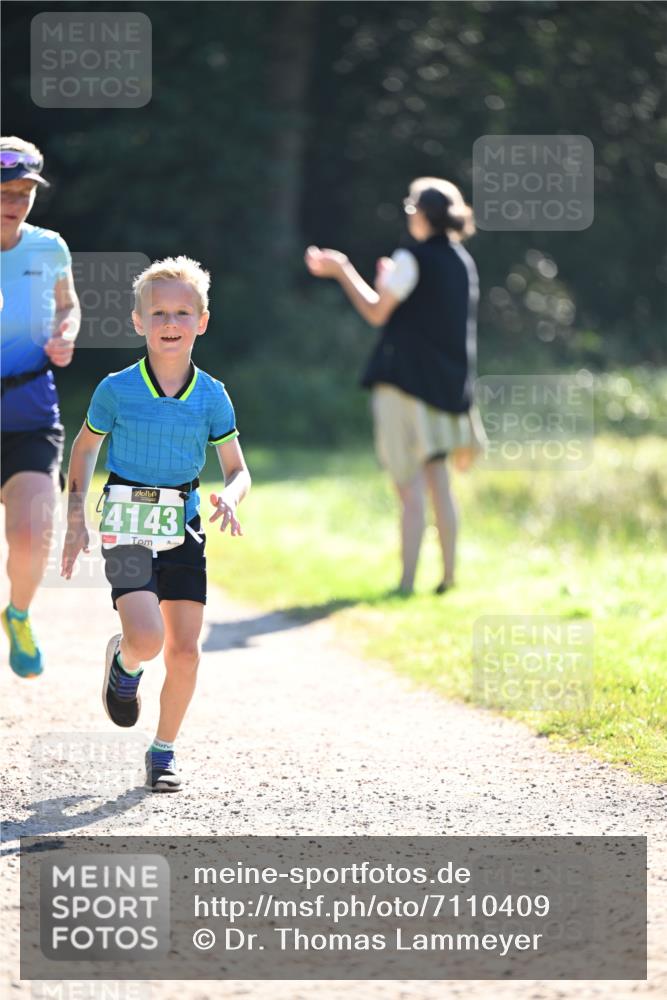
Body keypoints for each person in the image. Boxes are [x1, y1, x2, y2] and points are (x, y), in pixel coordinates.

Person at [61, 256, 251, 791]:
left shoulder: (212, 395)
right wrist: (76, 517)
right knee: (145, 638)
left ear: (202, 321)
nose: (171, 322)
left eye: (183, 313)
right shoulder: (116, 389)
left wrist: (232, 497)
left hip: (184, 526)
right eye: (160, 312)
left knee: (186, 650)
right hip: (126, 519)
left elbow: (237, 469)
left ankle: (163, 751)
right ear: (139, 321)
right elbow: (84, 449)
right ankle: (125, 662)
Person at [305, 176, 486, 595]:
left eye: (410, 206)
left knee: (408, 486)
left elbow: (376, 312)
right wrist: (390, 280)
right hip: (446, 389)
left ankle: (405, 583)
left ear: (421, 213)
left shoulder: (412, 256)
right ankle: (448, 577)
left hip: (404, 385)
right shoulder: (462, 260)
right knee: (438, 480)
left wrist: (341, 270)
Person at [1, 136, 80, 676]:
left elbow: (68, 304)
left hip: (29, 412)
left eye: (26, 192)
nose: (16, 201)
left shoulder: (49, 247)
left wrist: (66, 334)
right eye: (7, 190)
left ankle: (19, 613)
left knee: (33, 534)